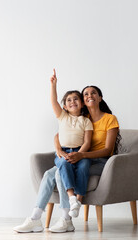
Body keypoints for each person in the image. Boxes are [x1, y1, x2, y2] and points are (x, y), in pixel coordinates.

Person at [13, 79, 120, 233]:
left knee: (58, 173)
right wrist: (59, 150)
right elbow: (59, 135)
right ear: (84, 101)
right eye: (86, 94)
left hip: (100, 161)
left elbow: (108, 149)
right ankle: (35, 218)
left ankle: (66, 219)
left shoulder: (110, 119)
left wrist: (82, 154)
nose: (90, 96)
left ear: (100, 98)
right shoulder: (83, 119)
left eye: (93, 93)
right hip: (78, 157)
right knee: (48, 174)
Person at [49, 69, 93, 219]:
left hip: (81, 152)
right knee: (64, 164)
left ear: (82, 104)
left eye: (75, 99)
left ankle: (78, 202)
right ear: (65, 107)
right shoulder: (62, 116)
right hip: (64, 151)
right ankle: (72, 198)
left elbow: (87, 141)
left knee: (84, 167)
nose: (72, 101)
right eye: (69, 100)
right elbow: (53, 101)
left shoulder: (86, 121)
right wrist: (54, 85)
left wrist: (80, 154)